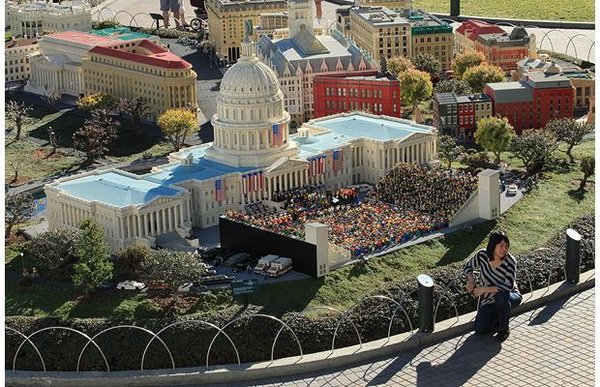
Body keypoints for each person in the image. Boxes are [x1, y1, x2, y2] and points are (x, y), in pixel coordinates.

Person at [464, 230, 521, 343]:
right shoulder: (482, 255)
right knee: (480, 329)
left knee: (500, 297)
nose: (504, 249)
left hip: (510, 295)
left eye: (506, 246)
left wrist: (483, 289)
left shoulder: (510, 261)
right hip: (489, 298)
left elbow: (508, 287)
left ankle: (504, 330)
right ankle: (501, 317)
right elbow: (467, 267)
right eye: (501, 246)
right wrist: (471, 280)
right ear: (493, 245)